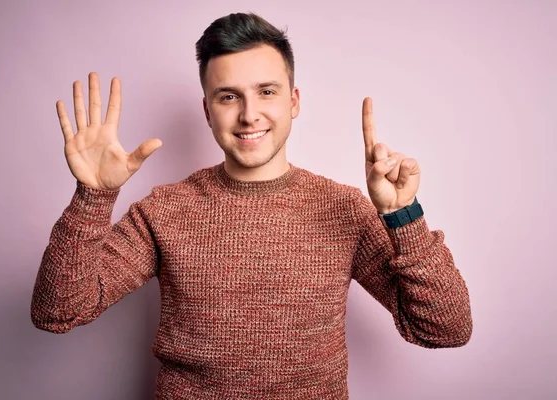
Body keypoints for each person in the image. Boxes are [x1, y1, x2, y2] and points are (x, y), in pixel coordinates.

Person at [30, 12, 472, 399]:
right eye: (228, 96)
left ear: (293, 101)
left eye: (266, 92)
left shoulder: (343, 209)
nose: (249, 114)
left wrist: (403, 216)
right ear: (207, 110)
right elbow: (58, 310)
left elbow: (445, 328)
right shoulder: (164, 211)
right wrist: (93, 197)